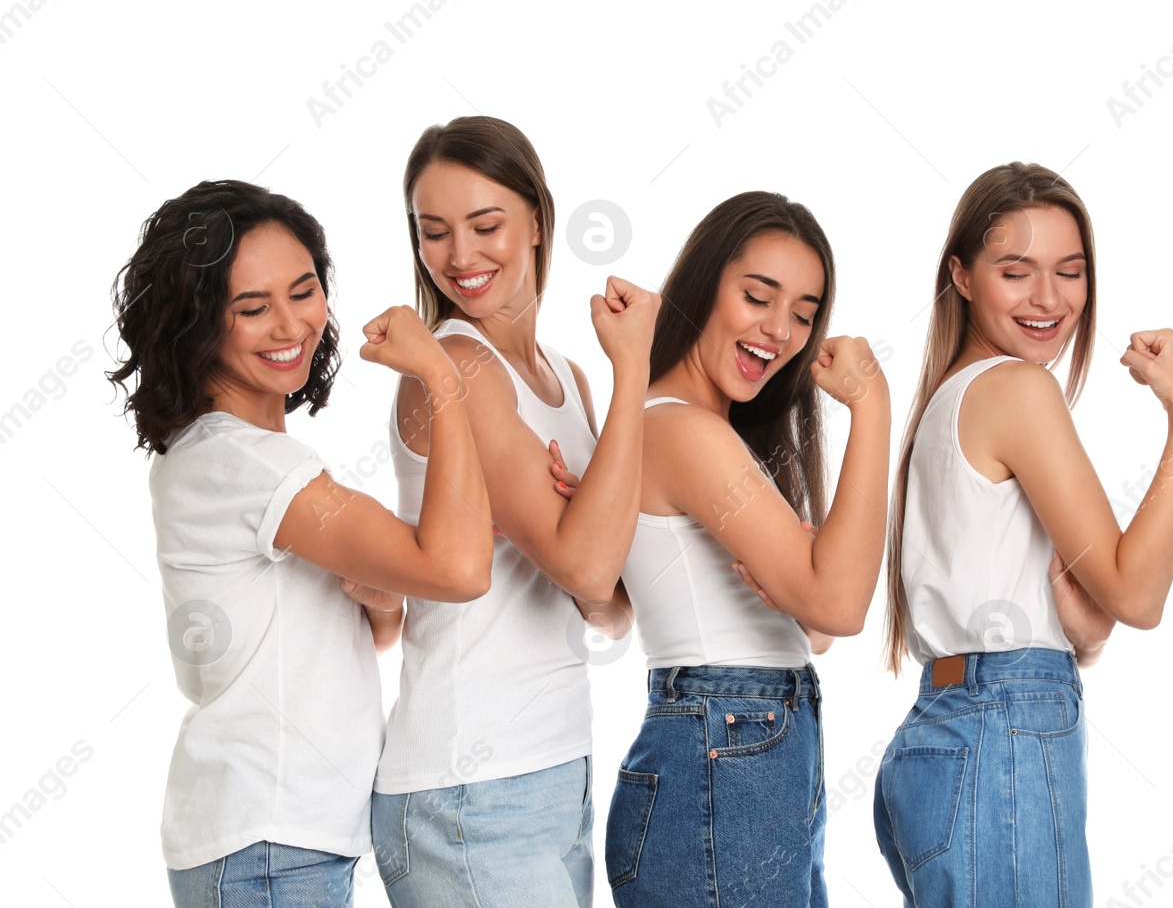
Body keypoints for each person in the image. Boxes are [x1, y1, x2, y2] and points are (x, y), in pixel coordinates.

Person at [108, 179, 494, 908]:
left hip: (278, 838)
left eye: (304, 291)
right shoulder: (251, 464)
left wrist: (383, 600)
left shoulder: (233, 454)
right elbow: (459, 567)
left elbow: (341, 632)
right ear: (199, 325)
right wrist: (440, 372)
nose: (291, 326)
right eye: (252, 308)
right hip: (267, 843)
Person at [874, 162, 1173, 906]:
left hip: (950, 731)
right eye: (1016, 272)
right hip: (1003, 736)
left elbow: (1073, 599)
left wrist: (1084, 634)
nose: (1049, 299)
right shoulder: (1017, 388)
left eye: (1071, 271)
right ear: (960, 275)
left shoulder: (949, 398)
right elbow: (1139, 592)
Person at [363, 116, 658, 908]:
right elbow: (590, 564)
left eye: (485, 224)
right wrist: (635, 366)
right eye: (434, 232)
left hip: (553, 765)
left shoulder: (565, 378)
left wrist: (588, 565)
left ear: (537, 218)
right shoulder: (457, 366)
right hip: (469, 785)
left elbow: (614, 607)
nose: (461, 256)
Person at [603, 191, 890, 907]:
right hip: (724, 749)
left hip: (745, 749)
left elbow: (817, 627)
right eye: (758, 296)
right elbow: (839, 601)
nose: (779, 330)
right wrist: (874, 404)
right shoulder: (682, 431)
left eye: (803, 312)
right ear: (704, 285)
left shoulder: (712, 434)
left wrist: (805, 587)